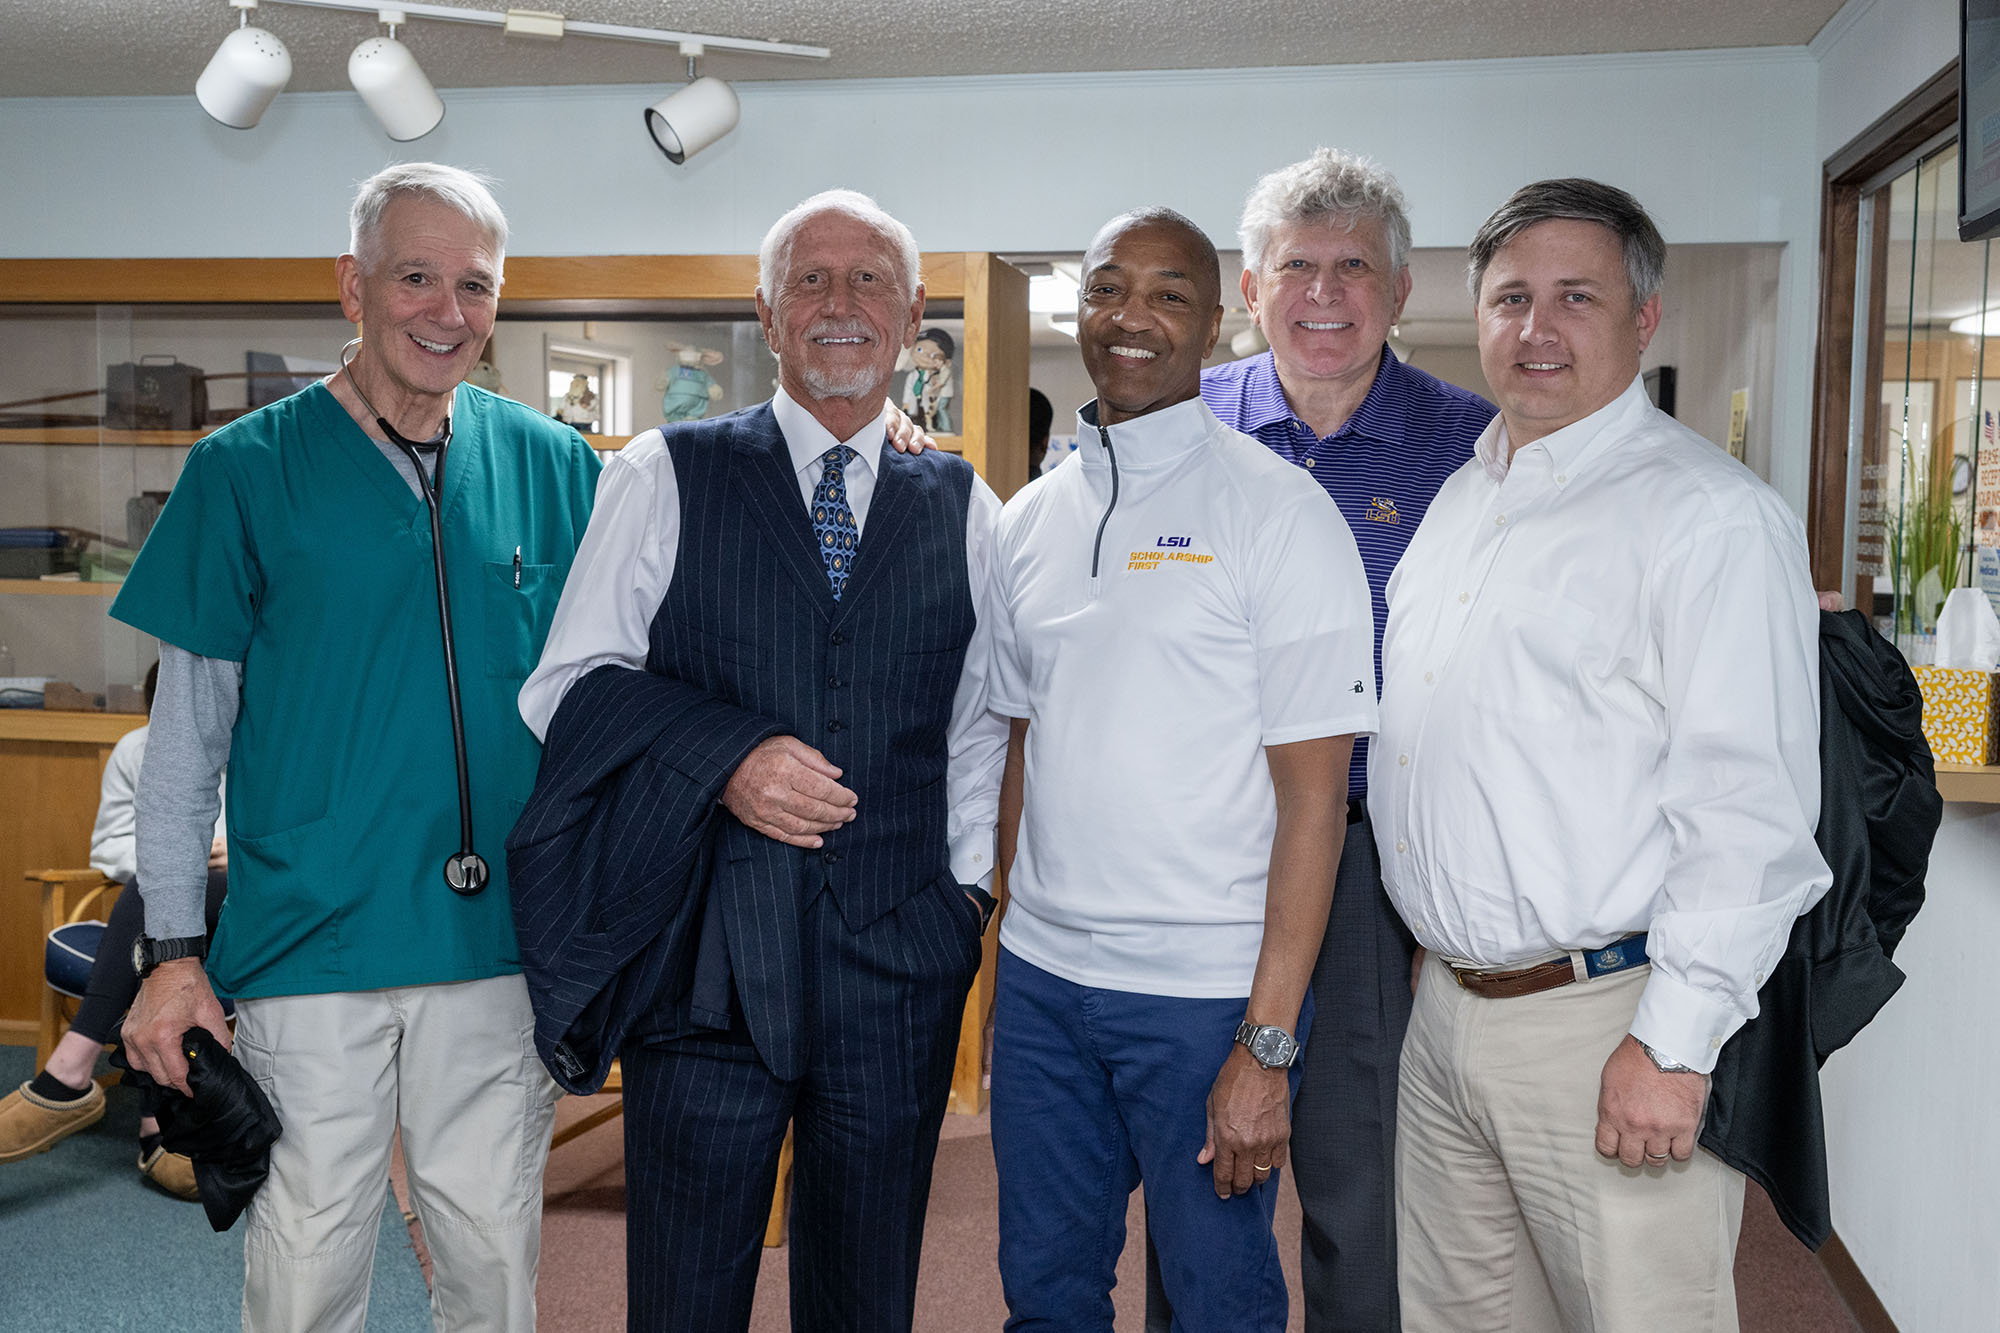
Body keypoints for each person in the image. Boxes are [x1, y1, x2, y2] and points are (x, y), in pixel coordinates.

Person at [109, 163, 600, 1331]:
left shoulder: (557, 467)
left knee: (490, 1254)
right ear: (353, 286)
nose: (446, 310)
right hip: (309, 941)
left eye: (473, 285)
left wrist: (879, 416)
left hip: (495, 945)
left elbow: (691, 546)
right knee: (309, 1258)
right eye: (415, 277)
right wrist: (175, 952)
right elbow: (183, 752)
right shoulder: (242, 472)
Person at [518, 187, 1006, 1332]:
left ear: (912, 313)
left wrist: (962, 899)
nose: (841, 304)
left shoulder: (963, 499)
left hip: (899, 962)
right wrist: (726, 754)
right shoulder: (662, 470)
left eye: (869, 280)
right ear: (766, 313)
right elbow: (565, 691)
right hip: (704, 967)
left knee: (865, 1292)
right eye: (810, 281)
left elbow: (981, 719)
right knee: (686, 1294)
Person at [1372, 178, 1830, 1330]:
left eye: (1574, 295)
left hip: (1608, 1018)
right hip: (1448, 1016)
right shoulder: (1460, 499)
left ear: (1643, 317)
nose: (1535, 328)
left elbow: (1748, 816)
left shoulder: (1708, 519)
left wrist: (1673, 1046)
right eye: (1509, 297)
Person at [986, 207, 1376, 1331]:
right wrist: (1011, 940)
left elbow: (1314, 804)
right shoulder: (1029, 518)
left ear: (1215, 324)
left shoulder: (1278, 512)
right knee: (1046, 1295)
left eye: (1167, 295)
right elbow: (1021, 742)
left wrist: (1265, 1042)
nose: (1132, 317)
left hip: (1204, 999)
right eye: (1108, 288)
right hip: (1046, 988)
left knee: (1217, 1301)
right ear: (1078, 313)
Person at [0, 661, 225, 1200]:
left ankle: (68, 1076)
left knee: (166, 886)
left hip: (249, 897)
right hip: (169, 909)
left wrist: (223, 859)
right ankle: (157, 1125)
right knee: (164, 887)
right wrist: (183, 863)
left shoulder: (266, 748)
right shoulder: (136, 749)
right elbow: (110, 846)